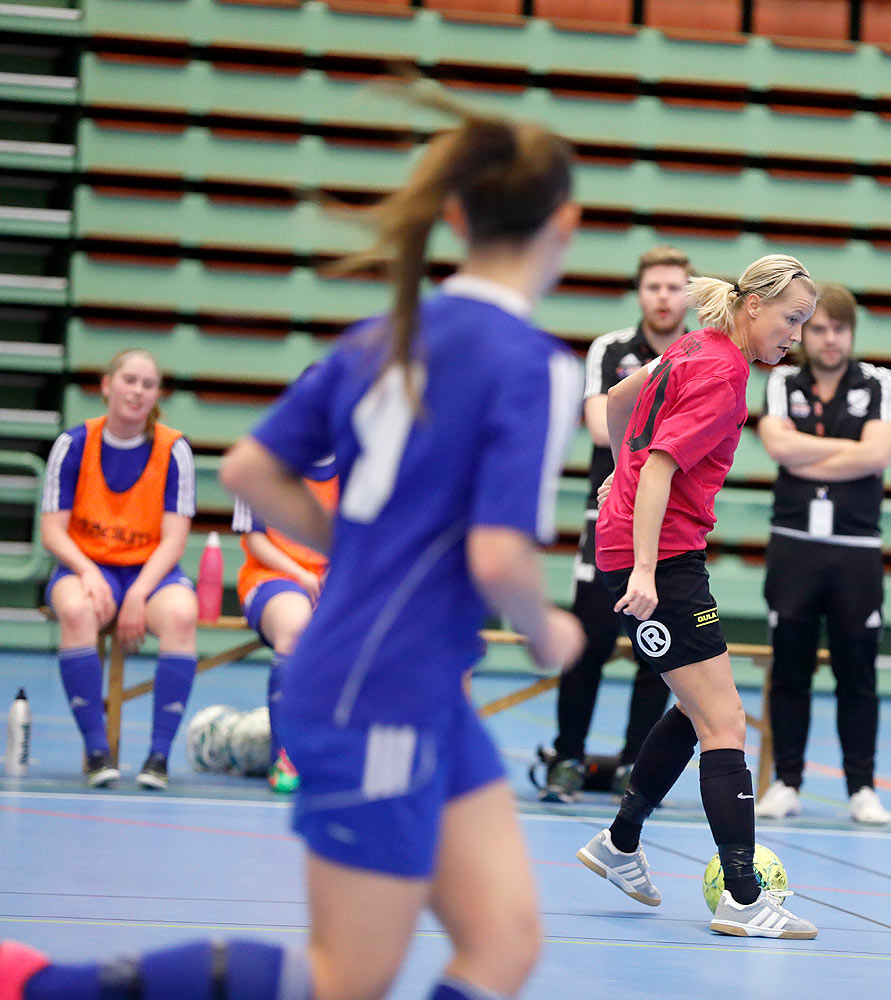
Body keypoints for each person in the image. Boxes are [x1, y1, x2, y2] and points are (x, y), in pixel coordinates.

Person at [1, 91, 585, 1000]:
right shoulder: (533, 363)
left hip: (422, 685)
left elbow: (247, 472)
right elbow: (498, 561)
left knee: (505, 943)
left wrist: (356, 543)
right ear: (567, 224)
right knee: (346, 978)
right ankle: (43, 986)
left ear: (457, 216)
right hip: (375, 688)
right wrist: (550, 632)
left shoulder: (377, 336)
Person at [574, 253, 822, 940]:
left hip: (658, 545)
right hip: (663, 559)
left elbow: (620, 402)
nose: (796, 336)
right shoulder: (722, 374)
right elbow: (658, 465)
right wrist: (645, 568)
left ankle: (620, 843)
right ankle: (743, 898)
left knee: (696, 706)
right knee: (724, 724)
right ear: (752, 307)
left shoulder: (695, 345)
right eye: (791, 319)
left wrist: (615, 485)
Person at [542, 246, 691, 802]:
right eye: (654, 287)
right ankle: (568, 757)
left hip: (669, 525)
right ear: (640, 292)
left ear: (688, 294)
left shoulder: (698, 352)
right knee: (589, 642)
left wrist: (646, 424)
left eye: (675, 287)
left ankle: (635, 762)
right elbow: (601, 427)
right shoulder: (612, 350)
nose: (663, 297)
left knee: (658, 650)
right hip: (607, 520)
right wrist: (671, 431)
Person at [753, 284, 891, 825]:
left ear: (852, 332)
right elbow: (777, 448)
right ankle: (787, 782)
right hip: (793, 547)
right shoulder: (782, 379)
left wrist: (808, 454)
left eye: (839, 328)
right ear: (804, 332)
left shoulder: (879, 382)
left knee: (856, 670)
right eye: (817, 327)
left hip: (856, 550)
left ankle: (862, 787)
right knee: (789, 669)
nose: (829, 338)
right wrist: (851, 453)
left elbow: (879, 453)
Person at [38, 348, 198, 790]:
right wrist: (87, 571)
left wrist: (138, 593)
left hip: (151, 573)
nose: (138, 391)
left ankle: (158, 756)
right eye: (129, 380)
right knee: (76, 610)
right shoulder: (73, 444)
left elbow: (174, 540)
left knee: (183, 614)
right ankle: (96, 751)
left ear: (156, 394)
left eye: (148, 385)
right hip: (87, 564)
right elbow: (52, 531)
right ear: (107, 385)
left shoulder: (174, 449)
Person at [232, 443, 339, 794]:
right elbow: (256, 540)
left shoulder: (361, 462)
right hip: (273, 576)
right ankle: (286, 755)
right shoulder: (262, 458)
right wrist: (306, 576)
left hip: (336, 578)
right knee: (297, 626)